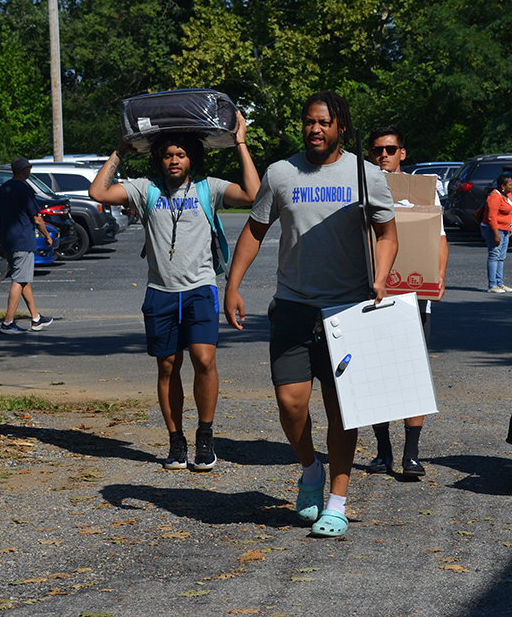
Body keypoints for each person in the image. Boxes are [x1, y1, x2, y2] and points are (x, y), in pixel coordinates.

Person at [224, 92, 398, 537]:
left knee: (343, 411)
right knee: (290, 403)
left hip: (349, 310)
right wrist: (233, 285)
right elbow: (255, 231)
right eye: (308, 122)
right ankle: (310, 469)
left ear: (340, 125)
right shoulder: (281, 173)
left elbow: (387, 235)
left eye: (323, 122)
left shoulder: (368, 175)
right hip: (294, 307)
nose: (314, 129)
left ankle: (336, 503)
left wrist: (381, 277)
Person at [88, 111, 260, 472]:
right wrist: (121, 149)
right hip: (160, 292)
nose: (174, 161)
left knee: (204, 359)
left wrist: (240, 141)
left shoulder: (207, 188)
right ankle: (175, 440)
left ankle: (205, 436)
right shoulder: (145, 189)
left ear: (191, 159)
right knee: (167, 367)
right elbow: (98, 192)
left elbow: (251, 194)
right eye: (168, 155)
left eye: (180, 155)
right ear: (160, 159)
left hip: (200, 289)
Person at [366, 124, 448, 477]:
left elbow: (438, 238)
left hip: (413, 296)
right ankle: (383, 451)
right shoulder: (362, 189)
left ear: (402, 153)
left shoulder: (422, 191)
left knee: (412, 375)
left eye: (390, 149)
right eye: (378, 150)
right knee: (374, 376)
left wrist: (439, 275)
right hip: (369, 294)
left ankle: (410, 454)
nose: (383, 155)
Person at [0, 157, 54, 334]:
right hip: (22, 241)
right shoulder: (24, 189)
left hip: (9, 241)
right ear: (25, 170)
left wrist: (0, 241)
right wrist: (46, 235)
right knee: (19, 280)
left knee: (24, 279)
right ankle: (8, 322)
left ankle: (35, 318)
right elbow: (36, 217)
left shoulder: (3, 188)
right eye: (29, 168)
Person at [481, 173, 512, 293]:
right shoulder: (494, 197)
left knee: (501, 257)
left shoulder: (507, 194)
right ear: (502, 186)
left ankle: (500, 283)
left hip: (505, 229)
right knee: (494, 255)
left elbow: (511, 211)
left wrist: (511, 225)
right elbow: (491, 217)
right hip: (494, 229)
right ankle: (492, 285)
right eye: (510, 184)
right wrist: (496, 234)